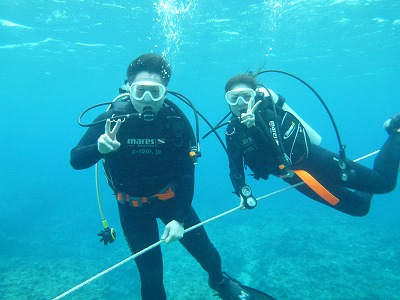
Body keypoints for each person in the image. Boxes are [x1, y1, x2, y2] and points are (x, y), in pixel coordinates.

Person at [70, 54, 269, 300]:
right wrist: (98, 149)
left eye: (155, 92)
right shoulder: (111, 120)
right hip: (131, 209)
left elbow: (186, 172)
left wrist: (178, 218)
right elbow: (77, 161)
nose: (147, 100)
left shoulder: (174, 121)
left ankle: (219, 282)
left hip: (172, 200)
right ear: (128, 89)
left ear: (165, 92)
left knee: (206, 252)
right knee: (150, 274)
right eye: (140, 91)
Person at [223, 72, 399, 216]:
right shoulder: (232, 131)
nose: (240, 104)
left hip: (316, 160)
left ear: (255, 97)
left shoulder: (269, 117)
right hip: (297, 178)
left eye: (246, 97)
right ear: (228, 101)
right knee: (359, 208)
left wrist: (254, 126)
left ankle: (395, 130)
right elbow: (235, 165)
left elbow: (280, 155)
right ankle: (367, 182)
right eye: (234, 98)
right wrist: (241, 191)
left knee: (384, 183)